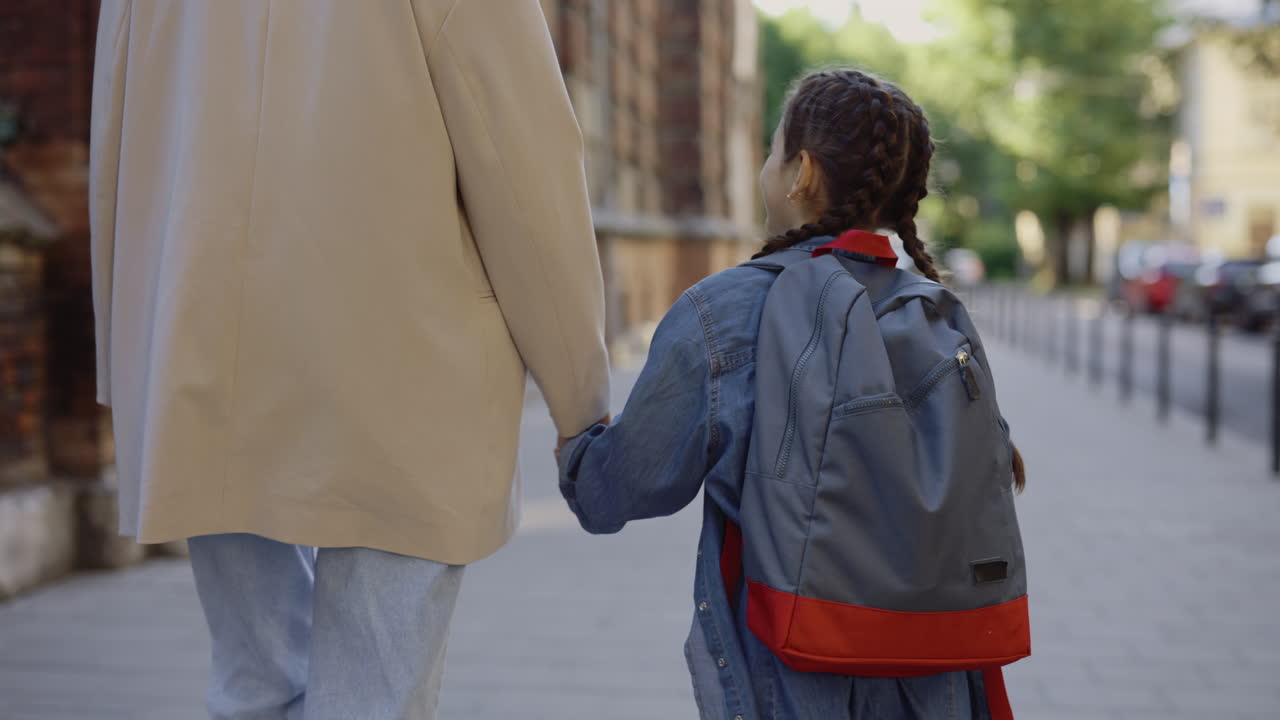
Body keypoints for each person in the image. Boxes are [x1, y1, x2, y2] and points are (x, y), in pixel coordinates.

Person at [89, 1, 610, 718]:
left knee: (256, 687)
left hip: (193, 343)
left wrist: (130, 357)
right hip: (402, 359)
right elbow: (521, 161)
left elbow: (117, 132)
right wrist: (579, 394)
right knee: (372, 695)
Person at [558, 69, 1027, 720]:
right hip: (940, 678)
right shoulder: (935, 315)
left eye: (773, 149)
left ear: (800, 172)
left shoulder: (723, 312)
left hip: (789, 681)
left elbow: (618, 492)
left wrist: (574, 445)